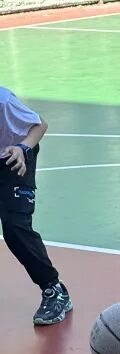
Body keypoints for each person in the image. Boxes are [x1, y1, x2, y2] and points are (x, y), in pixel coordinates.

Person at [0, 85, 71, 325]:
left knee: (15, 226)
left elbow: (40, 124)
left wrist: (22, 148)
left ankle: (54, 290)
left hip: (14, 157)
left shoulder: (4, 100)